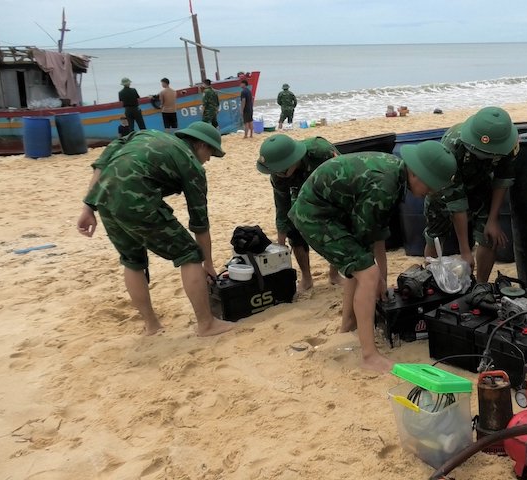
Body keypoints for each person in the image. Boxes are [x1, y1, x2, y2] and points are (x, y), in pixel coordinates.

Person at [288, 141, 457, 372]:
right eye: (430, 186)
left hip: (332, 210)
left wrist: (381, 280)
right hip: (315, 214)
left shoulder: (396, 174)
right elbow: (364, 241)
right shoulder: (385, 185)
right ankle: (369, 356)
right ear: (416, 174)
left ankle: (347, 324)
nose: (430, 192)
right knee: (366, 272)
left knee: (361, 268)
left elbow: (376, 236)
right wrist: (376, 279)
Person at [76, 121, 233, 338]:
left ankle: (151, 325)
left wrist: (88, 206)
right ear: (201, 145)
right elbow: (199, 222)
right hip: (138, 199)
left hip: (104, 199)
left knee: (132, 260)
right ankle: (206, 324)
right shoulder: (191, 164)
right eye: (211, 154)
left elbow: (103, 162)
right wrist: (207, 263)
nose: (207, 160)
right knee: (189, 254)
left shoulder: (144, 133)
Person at [423, 106, 520, 283]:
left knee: (489, 236)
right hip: (443, 188)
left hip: (480, 186)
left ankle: (481, 287)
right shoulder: (453, 145)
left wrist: (493, 220)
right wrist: (465, 252)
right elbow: (457, 202)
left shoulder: (509, 143)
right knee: (435, 236)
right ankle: (432, 284)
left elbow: (502, 180)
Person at [256, 134, 343, 291]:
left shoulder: (321, 152)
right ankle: (306, 277)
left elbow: (344, 179)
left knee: (336, 225)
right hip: (301, 188)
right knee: (294, 226)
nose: (278, 175)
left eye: (281, 171)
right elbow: (282, 206)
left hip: (331, 185)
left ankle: (334, 274)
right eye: (275, 172)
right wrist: (280, 242)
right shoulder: (278, 174)